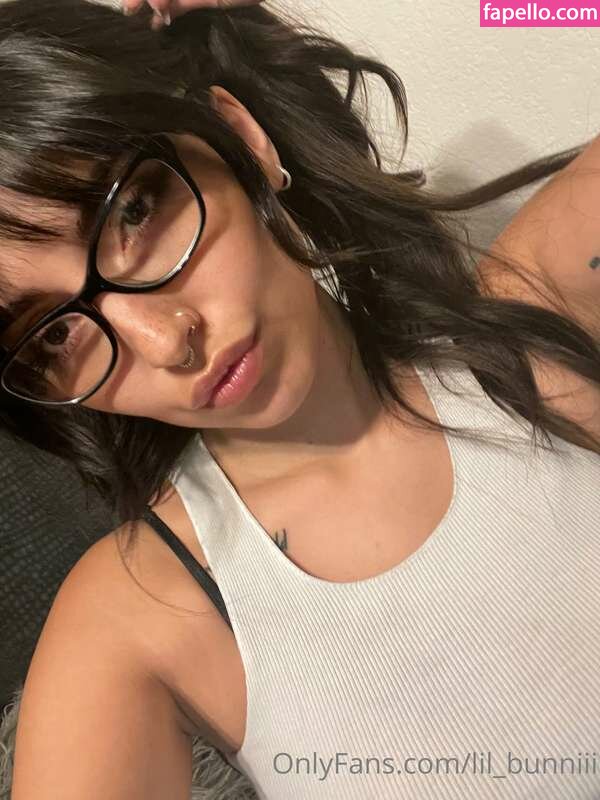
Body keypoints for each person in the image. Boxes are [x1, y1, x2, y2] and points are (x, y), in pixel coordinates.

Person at [1, 0, 598, 797]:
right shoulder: (133, 620)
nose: (166, 341)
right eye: (52, 336)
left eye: (133, 214)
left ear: (241, 137)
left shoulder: (528, 323)